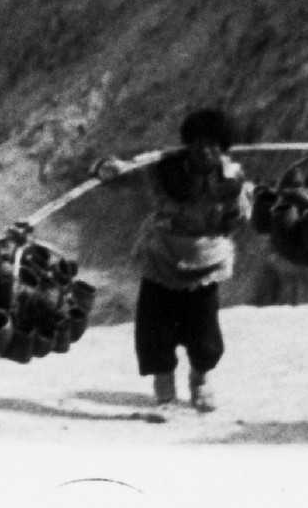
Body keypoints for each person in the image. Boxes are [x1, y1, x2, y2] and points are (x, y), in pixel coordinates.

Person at [95, 107, 256, 412]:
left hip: (207, 263)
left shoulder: (231, 177)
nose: (205, 151)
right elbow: (126, 175)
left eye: (213, 144)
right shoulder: (165, 169)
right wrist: (109, 169)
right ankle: (164, 388)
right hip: (162, 260)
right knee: (155, 330)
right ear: (188, 144)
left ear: (221, 146)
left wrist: (241, 198)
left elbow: (241, 218)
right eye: (198, 143)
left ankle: (200, 380)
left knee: (204, 334)